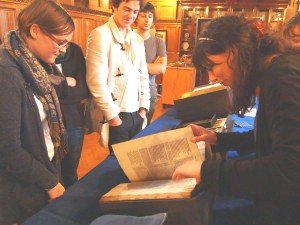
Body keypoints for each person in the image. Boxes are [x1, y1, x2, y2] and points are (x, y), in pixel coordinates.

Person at [172, 16, 300, 225]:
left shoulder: (282, 78)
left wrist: (207, 171)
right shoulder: (274, 72)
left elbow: (291, 168)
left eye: (214, 66)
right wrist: (218, 139)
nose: (211, 77)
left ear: (238, 52)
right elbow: (270, 135)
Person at [0, 0, 74, 224]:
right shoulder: (6, 74)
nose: (62, 51)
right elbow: (7, 148)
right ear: (35, 31)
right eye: (60, 42)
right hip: (22, 185)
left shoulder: (36, 65)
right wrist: (49, 182)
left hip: (43, 169)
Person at [86, 0, 150, 153]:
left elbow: (144, 76)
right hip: (117, 115)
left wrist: (143, 109)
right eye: (126, 9)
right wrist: (114, 119)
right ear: (114, 7)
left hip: (137, 114)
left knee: (136, 163)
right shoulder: (100, 34)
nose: (131, 15)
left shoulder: (137, 39)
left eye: (135, 12)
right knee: (118, 167)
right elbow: (96, 82)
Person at [55, 42, 90, 188]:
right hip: (48, 123)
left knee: (70, 172)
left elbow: (83, 90)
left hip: (74, 120)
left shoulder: (75, 50)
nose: (64, 47)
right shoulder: (40, 50)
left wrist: (57, 85)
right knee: (54, 175)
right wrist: (66, 81)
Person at [135, 2, 167, 124]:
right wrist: (150, 66)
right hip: (128, 90)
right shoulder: (128, 38)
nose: (147, 20)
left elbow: (161, 69)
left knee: (145, 128)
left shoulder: (159, 42)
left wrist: (134, 65)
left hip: (150, 90)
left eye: (150, 16)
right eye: (143, 16)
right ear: (136, 17)